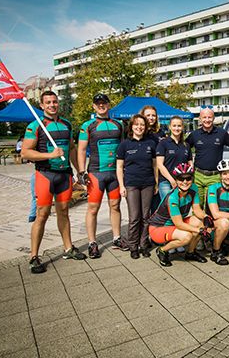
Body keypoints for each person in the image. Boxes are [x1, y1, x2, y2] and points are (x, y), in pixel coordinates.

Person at [21, 91, 86, 274]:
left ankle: (68, 248)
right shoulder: (36, 125)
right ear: (41, 105)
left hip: (65, 175)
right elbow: (25, 152)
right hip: (45, 175)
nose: (52, 105)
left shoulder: (66, 124)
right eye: (48, 102)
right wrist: (50, 155)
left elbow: (72, 148)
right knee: (42, 215)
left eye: (54, 102)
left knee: (64, 212)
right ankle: (34, 256)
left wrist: (80, 171)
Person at [77, 93, 125, 258]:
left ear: (108, 104)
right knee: (93, 209)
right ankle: (92, 243)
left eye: (104, 102)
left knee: (115, 206)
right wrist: (82, 172)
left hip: (114, 174)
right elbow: (81, 149)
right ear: (93, 106)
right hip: (96, 173)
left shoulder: (119, 124)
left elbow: (124, 148)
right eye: (98, 103)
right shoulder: (88, 125)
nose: (101, 105)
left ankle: (117, 238)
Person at [148, 163, 208, 267]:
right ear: (176, 180)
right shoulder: (173, 197)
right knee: (187, 236)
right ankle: (162, 250)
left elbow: (197, 209)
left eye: (188, 178)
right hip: (158, 228)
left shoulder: (193, 188)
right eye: (181, 179)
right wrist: (200, 231)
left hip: (174, 225)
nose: (185, 182)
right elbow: (179, 224)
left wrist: (207, 218)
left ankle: (190, 253)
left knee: (200, 222)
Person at [116, 114, 158, 259]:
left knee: (146, 216)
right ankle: (133, 246)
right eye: (136, 124)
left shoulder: (150, 144)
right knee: (135, 217)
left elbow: (154, 165)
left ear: (145, 127)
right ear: (131, 127)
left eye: (142, 125)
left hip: (148, 183)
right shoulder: (124, 145)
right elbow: (119, 167)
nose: (139, 127)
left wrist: (156, 182)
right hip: (131, 184)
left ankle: (143, 245)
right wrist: (121, 186)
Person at [186, 108, 229, 211]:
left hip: (215, 176)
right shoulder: (194, 135)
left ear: (213, 118)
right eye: (204, 117)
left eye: (209, 117)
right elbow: (183, 149)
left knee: (211, 207)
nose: (207, 120)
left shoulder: (221, 133)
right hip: (197, 175)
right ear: (200, 119)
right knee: (197, 205)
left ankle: (210, 227)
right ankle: (199, 227)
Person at [156, 116, 192, 200]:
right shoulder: (163, 143)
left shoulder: (186, 145)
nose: (177, 128)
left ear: (183, 127)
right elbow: (159, 164)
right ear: (170, 127)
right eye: (174, 125)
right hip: (166, 182)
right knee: (169, 208)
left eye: (179, 126)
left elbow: (190, 163)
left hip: (183, 181)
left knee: (181, 208)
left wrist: (189, 178)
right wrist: (172, 180)